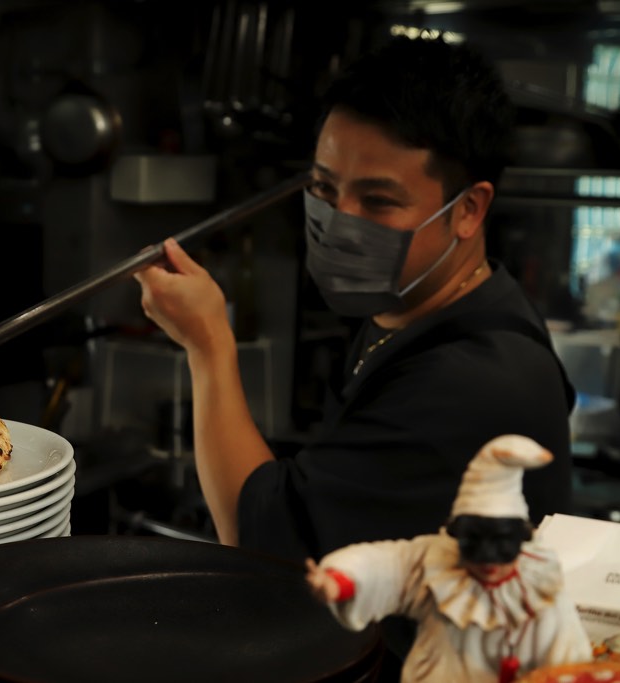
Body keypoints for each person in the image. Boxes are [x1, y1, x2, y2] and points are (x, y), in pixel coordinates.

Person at [133, 34, 576, 665]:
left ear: (469, 210)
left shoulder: (469, 378)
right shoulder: (420, 308)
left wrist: (207, 344)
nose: (339, 220)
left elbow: (262, 544)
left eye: (378, 200)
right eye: (323, 187)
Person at [304, 434, 592, 683]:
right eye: (473, 548)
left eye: (502, 549)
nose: (489, 565)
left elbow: (566, 648)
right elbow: (383, 564)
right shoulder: (437, 560)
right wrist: (340, 581)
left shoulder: (538, 583)